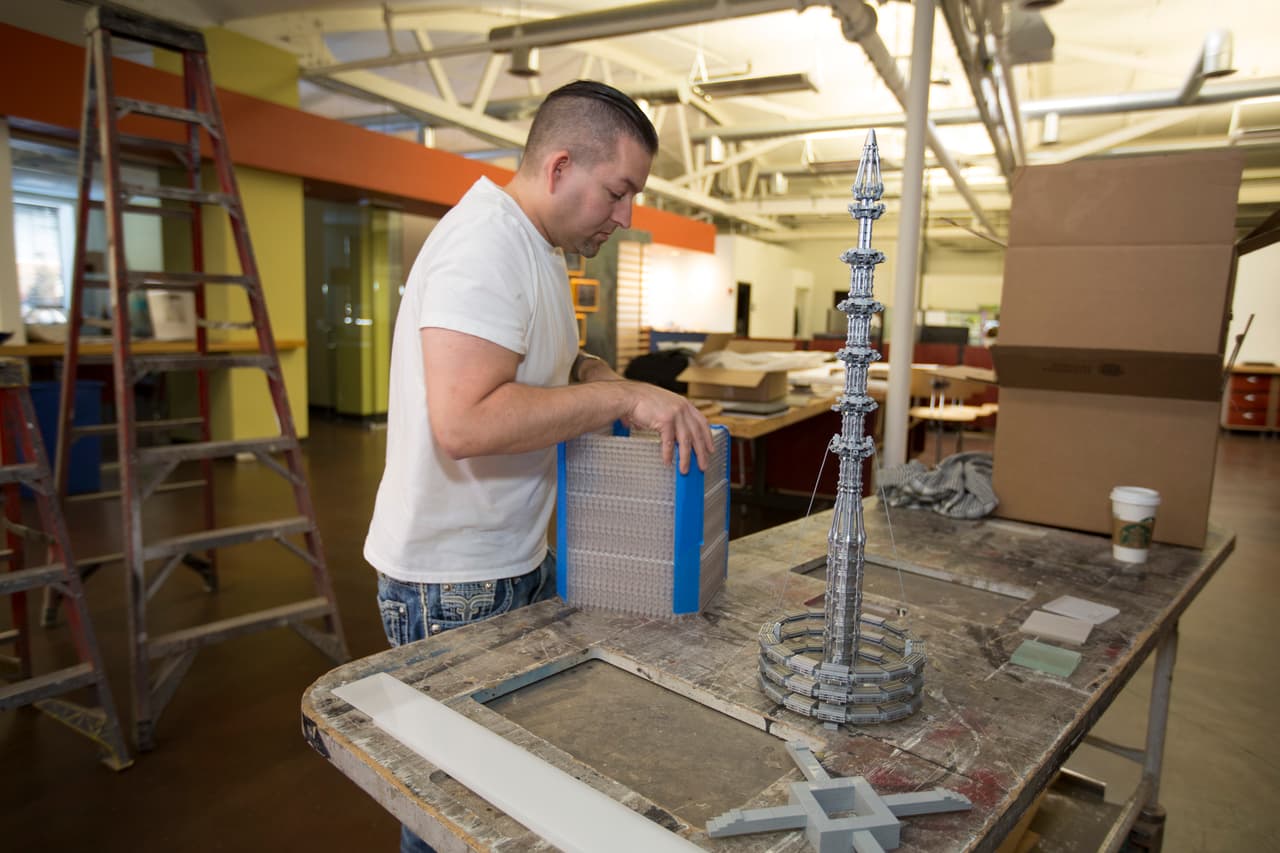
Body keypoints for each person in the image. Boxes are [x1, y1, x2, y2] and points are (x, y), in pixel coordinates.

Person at [363, 80, 715, 853]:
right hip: (454, 581)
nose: (626, 215)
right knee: (456, 814)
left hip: (507, 557)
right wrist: (618, 398)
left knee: (501, 793)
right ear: (559, 167)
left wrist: (598, 375)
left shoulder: (539, 248)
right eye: (618, 191)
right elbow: (465, 422)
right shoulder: (482, 250)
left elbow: (542, 362)